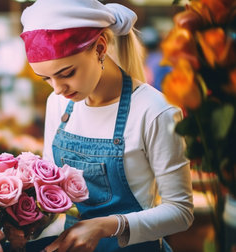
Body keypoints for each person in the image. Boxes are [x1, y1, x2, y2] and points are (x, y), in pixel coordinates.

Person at [18, 0, 194, 251]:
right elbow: (52, 189)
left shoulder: (154, 110)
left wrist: (103, 226)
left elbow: (180, 212)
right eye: (46, 78)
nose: (58, 89)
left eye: (67, 73)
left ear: (100, 47)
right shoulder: (57, 103)